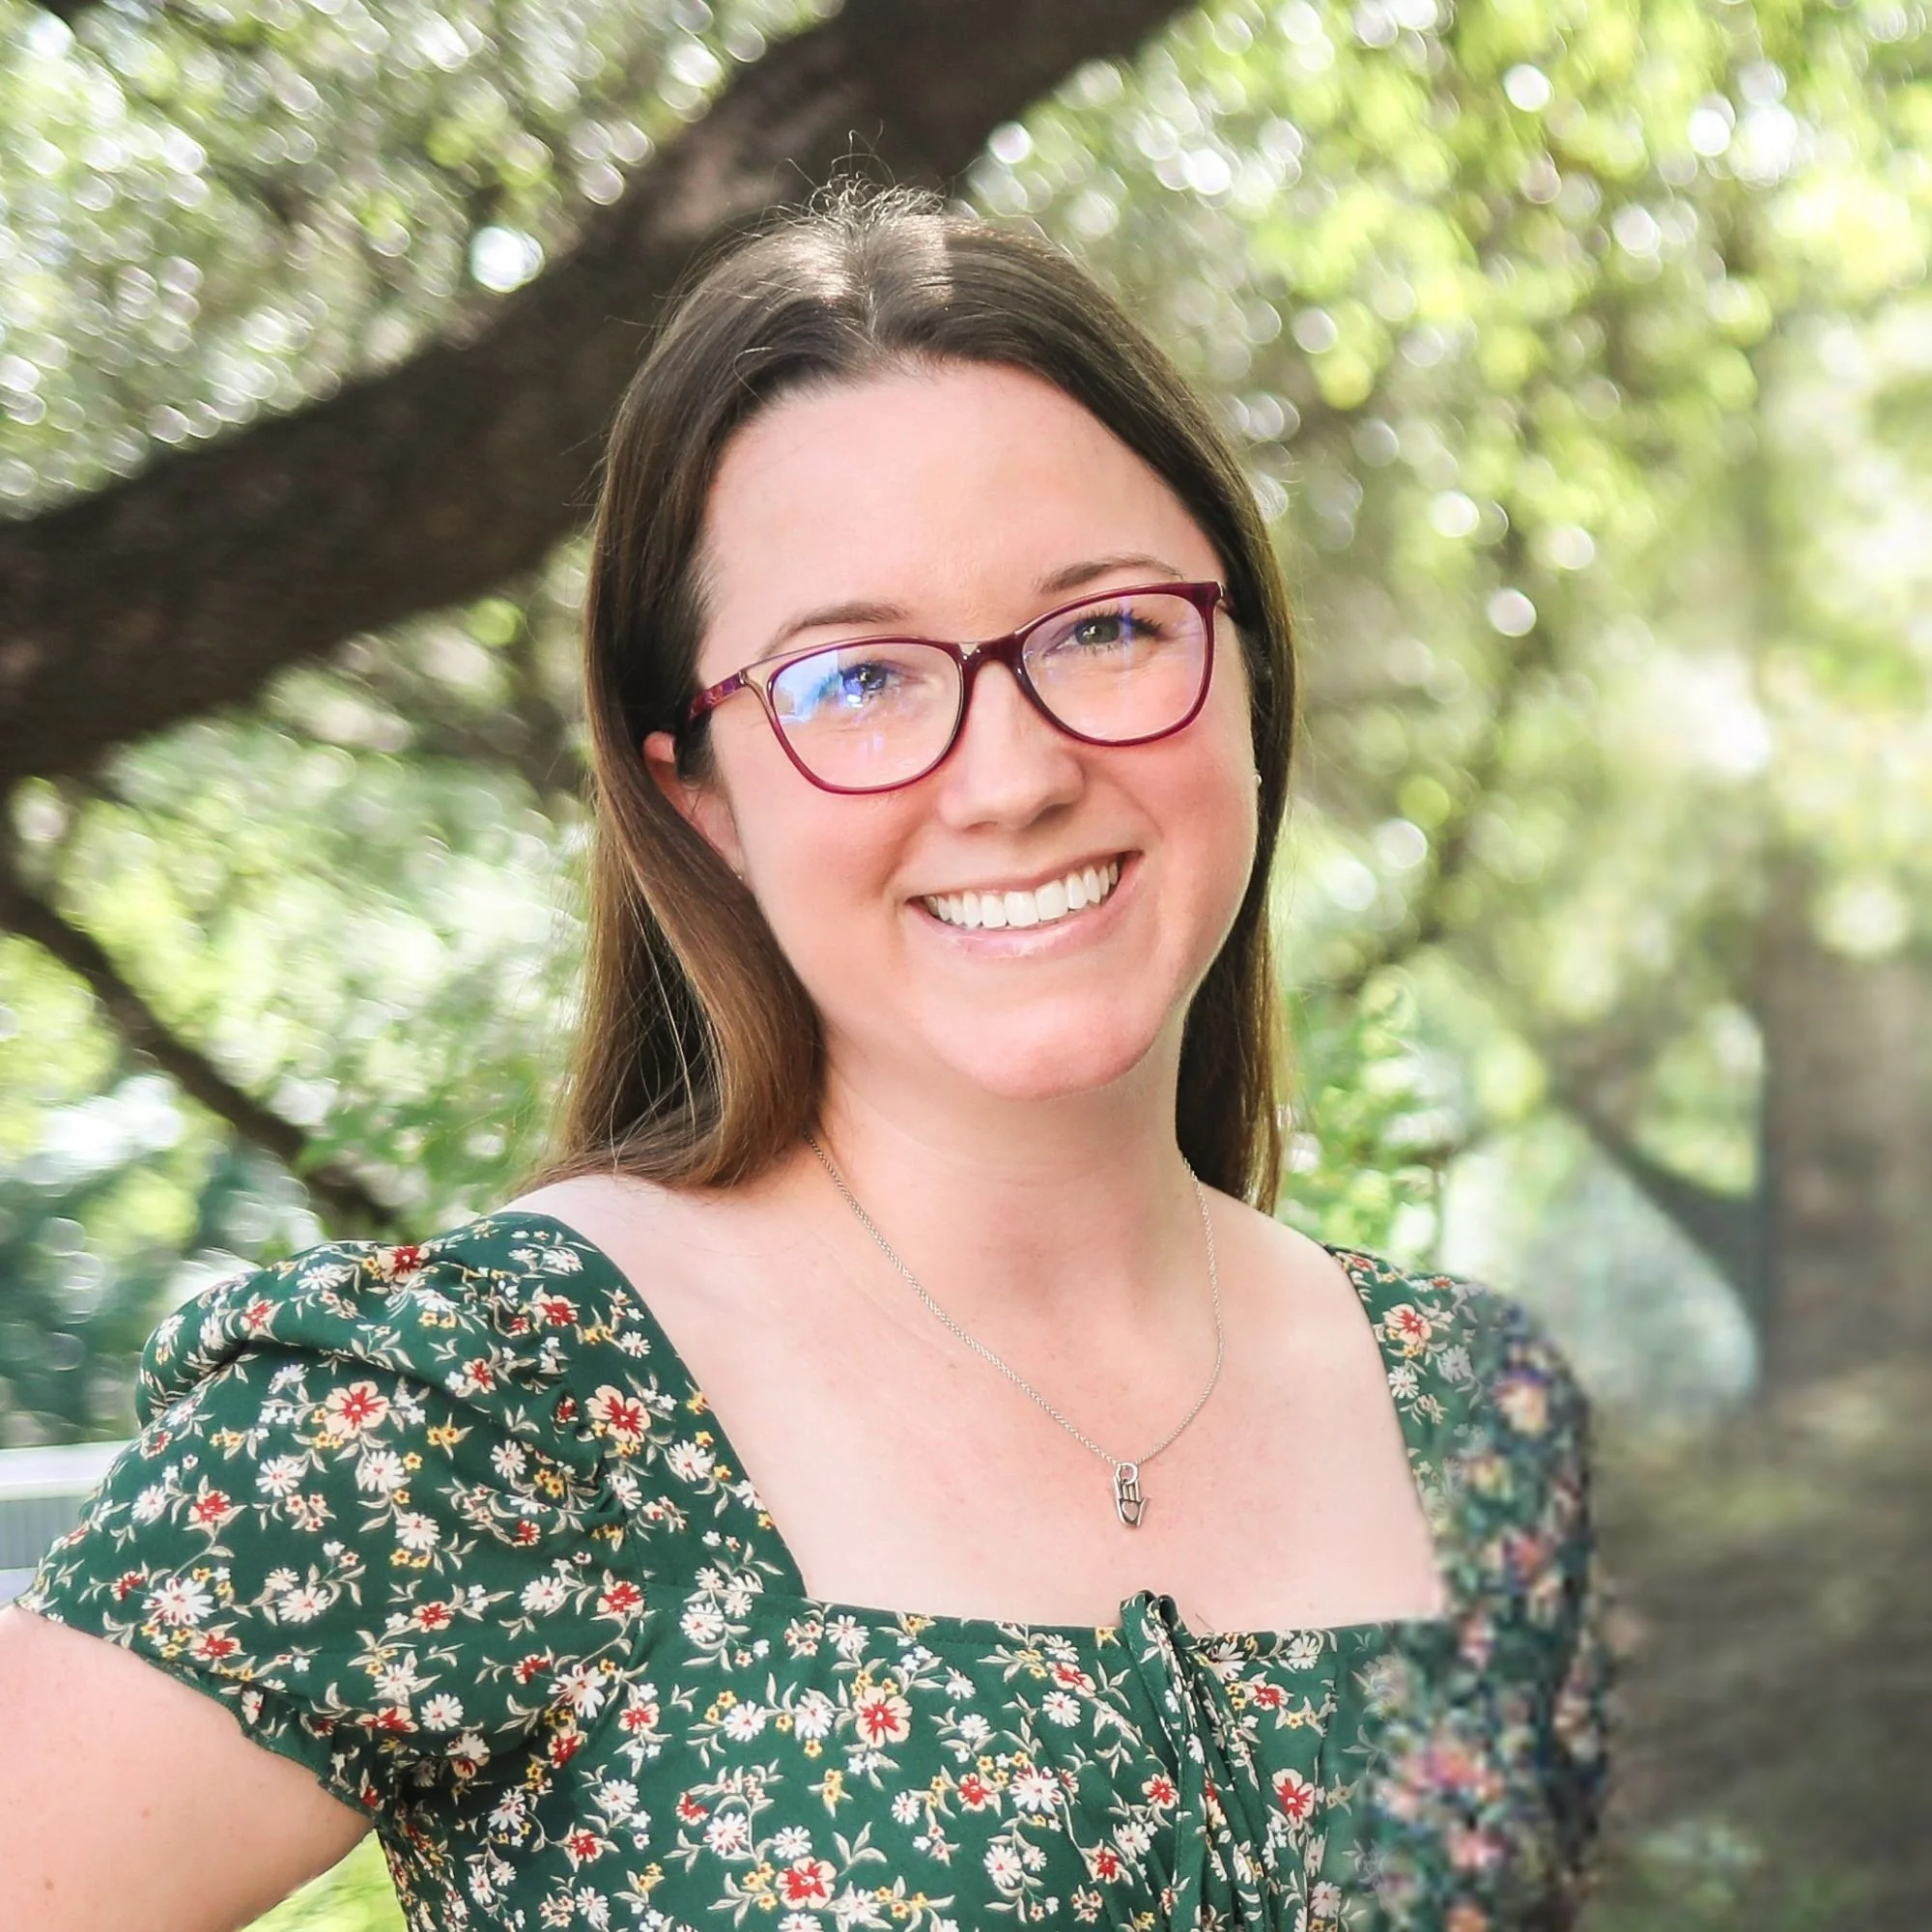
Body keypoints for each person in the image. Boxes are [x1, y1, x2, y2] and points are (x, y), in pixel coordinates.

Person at [0, 186, 1608, 1930]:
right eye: (856, 680)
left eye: (1107, 629)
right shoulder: (488, 1409)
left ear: (1246, 674)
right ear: (698, 793)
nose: (1012, 777)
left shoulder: (1468, 1415)